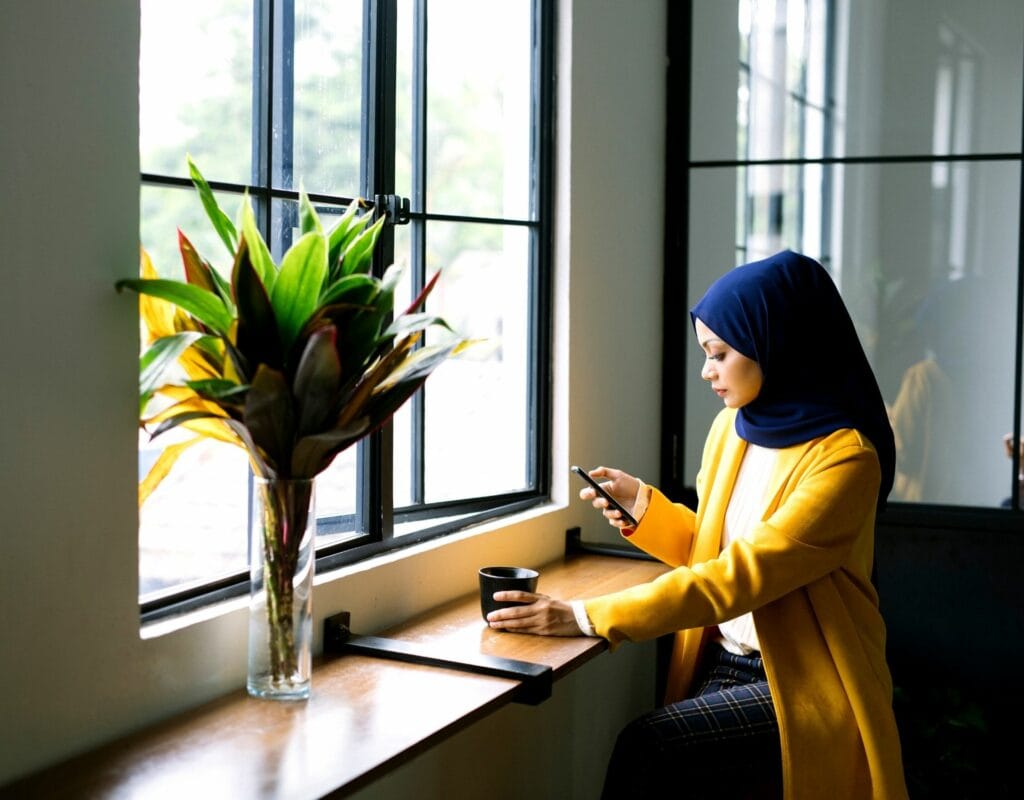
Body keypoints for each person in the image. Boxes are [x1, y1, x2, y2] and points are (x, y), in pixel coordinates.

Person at [486, 251, 908, 799]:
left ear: (773, 341)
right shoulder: (732, 428)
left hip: (807, 678)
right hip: (722, 657)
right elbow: (713, 548)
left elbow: (742, 576)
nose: (707, 370)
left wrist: (585, 617)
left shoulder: (847, 459)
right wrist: (645, 506)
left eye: (719, 354)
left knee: (650, 746)